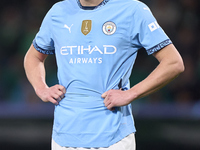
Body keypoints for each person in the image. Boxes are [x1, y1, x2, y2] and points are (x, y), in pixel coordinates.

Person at [24, 0, 184, 150]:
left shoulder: (132, 10)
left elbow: (173, 63)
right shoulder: (58, 11)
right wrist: (41, 89)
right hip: (63, 136)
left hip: (113, 137)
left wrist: (131, 93)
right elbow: (33, 56)